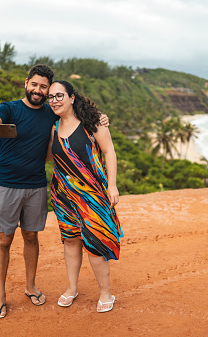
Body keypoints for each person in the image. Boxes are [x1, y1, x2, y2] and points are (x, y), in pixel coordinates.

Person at [0, 65, 108, 319]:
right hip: (6, 184)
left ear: (49, 89)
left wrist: (102, 119)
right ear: (26, 83)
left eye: (43, 87)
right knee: (4, 240)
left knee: (30, 237)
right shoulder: (10, 108)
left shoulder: (52, 112)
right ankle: (0, 296)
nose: (38, 90)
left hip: (37, 185)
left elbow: (78, 115)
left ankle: (30, 286)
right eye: (34, 84)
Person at [46, 80, 122, 313]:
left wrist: (112, 185)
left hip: (92, 193)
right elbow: (48, 157)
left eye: (59, 96)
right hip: (63, 195)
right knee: (70, 241)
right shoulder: (54, 127)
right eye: (51, 97)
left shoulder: (93, 123)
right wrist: (8, 154)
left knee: (95, 243)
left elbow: (109, 151)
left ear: (72, 98)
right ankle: (72, 288)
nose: (54, 101)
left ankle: (106, 293)